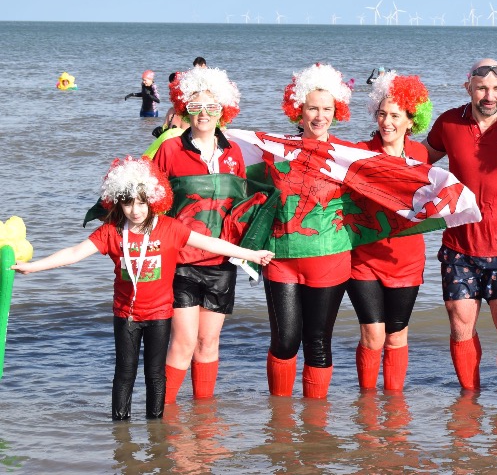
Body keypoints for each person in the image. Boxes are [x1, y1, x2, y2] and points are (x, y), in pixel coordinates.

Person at [11, 156, 273, 420]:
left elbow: (211, 243)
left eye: (141, 202)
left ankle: (155, 428)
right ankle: (120, 430)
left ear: (153, 200)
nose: (135, 210)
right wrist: (34, 267)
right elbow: (74, 253)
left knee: (155, 374)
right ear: (118, 202)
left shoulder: (170, 228)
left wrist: (250, 254)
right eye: (127, 203)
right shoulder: (111, 232)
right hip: (126, 314)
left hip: (160, 315)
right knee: (124, 373)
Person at [424, 58, 497, 395]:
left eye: (496, 88)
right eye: (481, 88)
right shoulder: (449, 122)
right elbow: (418, 162)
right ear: (469, 88)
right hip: (458, 247)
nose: (489, 96)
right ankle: (468, 401)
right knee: (460, 326)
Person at [257, 62, 354, 399]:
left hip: (330, 259)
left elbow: (383, 186)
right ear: (298, 109)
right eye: (312, 108)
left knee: (318, 342)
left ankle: (316, 421)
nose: (319, 116)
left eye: (327, 109)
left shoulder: (348, 155)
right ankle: (280, 418)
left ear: (336, 111)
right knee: (285, 342)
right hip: (280, 258)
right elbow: (242, 180)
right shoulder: (274, 150)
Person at [153, 67, 246, 404]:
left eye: (211, 107)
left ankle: (204, 417)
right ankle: (163, 416)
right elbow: (152, 204)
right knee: (183, 342)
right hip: (180, 262)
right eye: (195, 107)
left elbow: (242, 206)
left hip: (221, 262)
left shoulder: (234, 153)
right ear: (184, 109)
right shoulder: (169, 150)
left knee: (208, 343)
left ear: (223, 110)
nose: (203, 114)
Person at [348, 72, 433, 391]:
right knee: (372, 334)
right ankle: (367, 403)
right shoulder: (358, 151)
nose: (387, 122)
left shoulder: (420, 155)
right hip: (364, 258)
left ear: (410, 121)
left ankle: (395, 404)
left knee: (397, 336)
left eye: (395, 116)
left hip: (406, 259)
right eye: (382, 114)